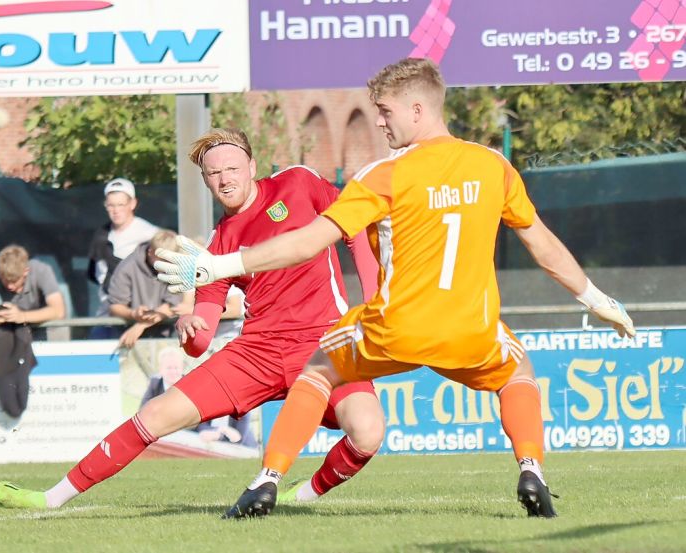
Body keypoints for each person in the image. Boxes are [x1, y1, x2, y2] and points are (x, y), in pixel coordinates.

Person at [155, 58, 637, 519]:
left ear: (417, 110)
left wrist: (221, 265)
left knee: (318, 371)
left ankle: (266, 480)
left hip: (395, 327)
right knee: (519, 373)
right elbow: (543, 245)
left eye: (384, 112)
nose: (380, 123)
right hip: (472, 330)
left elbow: (306, 243)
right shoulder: (493, 165)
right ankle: (531, 468)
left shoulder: (383, 174)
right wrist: (599, 300)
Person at [0, 128, 385, 513]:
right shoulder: (216, 247)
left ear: (251, 165)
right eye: (214, 173)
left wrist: (371, 300)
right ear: (205, 180)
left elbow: (356, 225)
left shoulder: (298, 183)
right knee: (155, 414)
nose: (225, 179)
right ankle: (51, 498)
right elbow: (202, 335)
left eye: (231, 168)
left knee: (368, 434)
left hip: (322, 343)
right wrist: (190, 330)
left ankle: (303, 494)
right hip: (258, 352)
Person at [0, 245, 66, 419]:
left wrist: (22, 316)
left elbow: (58, 311)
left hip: (38, 331)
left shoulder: (42, 271)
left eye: (15, 282)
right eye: (6, 281)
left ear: (26, 271)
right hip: (11, 334)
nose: (10, 287)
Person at [87, 177, 159, 336]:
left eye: (121, 204)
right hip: (108, 318)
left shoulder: (150, 235)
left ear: (132, 204)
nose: (116, 210)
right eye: (111, 205)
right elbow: (97, 275)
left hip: (145, 320)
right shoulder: (101, 236)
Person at [107, 229, 193, 349]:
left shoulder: (179, 267)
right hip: (128, 338)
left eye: (170, 259)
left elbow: (174, 306)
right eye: (162, 259)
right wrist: (133, 313)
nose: (166, 264)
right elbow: (115, 306)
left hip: (170, 338)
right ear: (150, 252)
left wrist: (141, 325)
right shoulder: (126, 268)